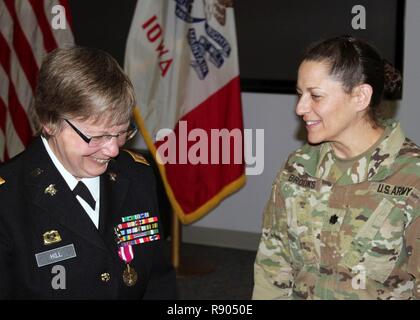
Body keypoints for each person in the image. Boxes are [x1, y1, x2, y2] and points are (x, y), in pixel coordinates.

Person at [0, 46, 176, 299]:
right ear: (49, 122)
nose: (113, 149)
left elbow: (157, 279)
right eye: (97, 136)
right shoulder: (8, 200)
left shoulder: (136, 175)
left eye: (122, 132)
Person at [253, 35, 420, 300]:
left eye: (316, 96)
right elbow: (273, 268)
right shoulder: (298, 169)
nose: (300, 108)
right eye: (299, 94)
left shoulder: (411, 178)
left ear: (360, 97)